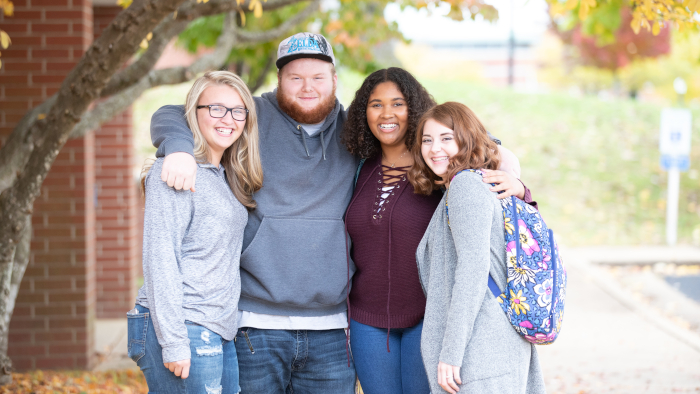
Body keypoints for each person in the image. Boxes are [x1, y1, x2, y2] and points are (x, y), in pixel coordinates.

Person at [148, 33, 358, 392]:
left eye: (318, 77)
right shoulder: (251, 116)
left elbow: (422, 134)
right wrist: (179, 147)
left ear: (335, 80)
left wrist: (488, 153)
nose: (307, 87)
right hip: (254, 325)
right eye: (295, 78)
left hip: (331, 330)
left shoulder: (356, 130)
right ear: (279, 81)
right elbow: (172, 112)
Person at [342, 68, 536, 394]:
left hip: (428, 318)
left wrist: (519, 186)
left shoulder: (439, 167)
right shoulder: (357, 164)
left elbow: (484, 151)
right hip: (368, 321)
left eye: (397, 104)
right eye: (376, 104)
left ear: (413, 109)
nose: (387, 113)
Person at [127, 71, 263, 394]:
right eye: (216, 108)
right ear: (194, 112)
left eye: (237, 110)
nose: (227, 119)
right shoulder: (175, 171)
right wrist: (174, 342)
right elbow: (161, 258)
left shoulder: (224, 175)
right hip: (184, 325)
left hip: (216, 328)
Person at [410, 101, 546, 394]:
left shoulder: (466, 187)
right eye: (427, 140)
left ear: (467, 139)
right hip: (494, 344)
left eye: (447, 138)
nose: (435, 148)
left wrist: (451, 353)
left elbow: (472, 270)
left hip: (482, 349)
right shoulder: (478, 182)